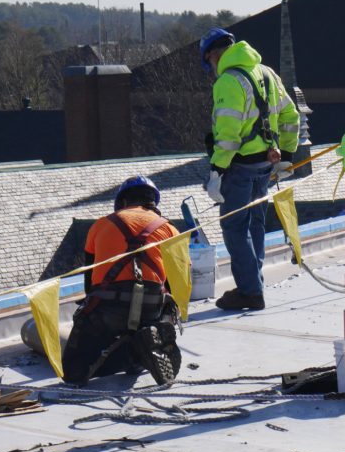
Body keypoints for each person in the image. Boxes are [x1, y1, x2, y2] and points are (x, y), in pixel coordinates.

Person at [199, 27, 300, 311]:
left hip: (240, 167)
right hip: (265, 164)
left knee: (234, 227)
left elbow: (228, 135)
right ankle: (253, 282)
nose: (212, 71)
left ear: (214, 55)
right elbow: (291, 115)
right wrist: (287, 155)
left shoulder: (228, 82)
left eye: (210, 64)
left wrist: (216, 172)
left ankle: (250, 291)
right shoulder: (266, 73)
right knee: (255, 224)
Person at [61, 176, 183, 386]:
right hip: (151, 309)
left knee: (73, 373)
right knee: (168, 306)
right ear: (153, 203)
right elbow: (179, 285)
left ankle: (130, 353)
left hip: (108, 308)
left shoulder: (101, 225)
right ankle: (142, 349)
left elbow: (90, 284)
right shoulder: (170, 229)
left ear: (123, 202)